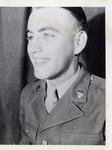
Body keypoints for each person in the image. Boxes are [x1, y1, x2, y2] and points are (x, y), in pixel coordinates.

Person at [19, 7, 105, 145]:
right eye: (31, 37)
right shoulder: (28, 94)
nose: (33, 48)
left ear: (78, 42)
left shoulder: (105, 100)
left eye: (47, 35)